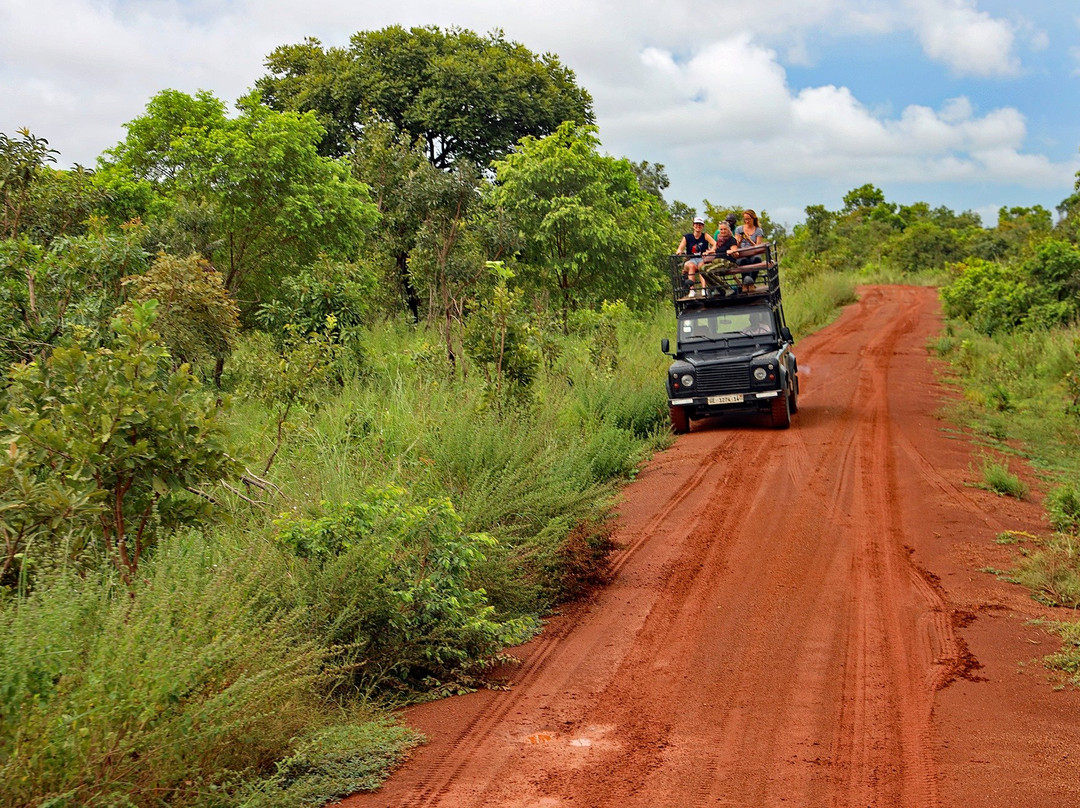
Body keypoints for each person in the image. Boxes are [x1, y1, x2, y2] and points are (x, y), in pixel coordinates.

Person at [675, 216, 715, 295]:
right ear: (693, 226)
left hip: (702, 259)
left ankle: (704, 289)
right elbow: (680, 248)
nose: (698, 226)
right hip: (691, 260)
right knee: (691, 266)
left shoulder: (705, 236)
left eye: (700, 224)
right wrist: (679, 251)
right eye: (696, 224)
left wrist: (710, 251)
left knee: (701, 266)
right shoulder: (687, 237)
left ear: (702, 226)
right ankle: (692, 289)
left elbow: (715, 244)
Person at [732, 209, 766, 288]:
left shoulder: (758, 230)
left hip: (754, 253)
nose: (747, 221)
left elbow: (758, 246)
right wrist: (739, 241)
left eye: (748, 219)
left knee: (756, 260)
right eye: (745, 219)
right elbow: (735, 245)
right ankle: (746, 282)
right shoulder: (739, 229)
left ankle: (751, 282)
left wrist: (749, 240)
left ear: (753, 219)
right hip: (742, 254)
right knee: (744, 261)